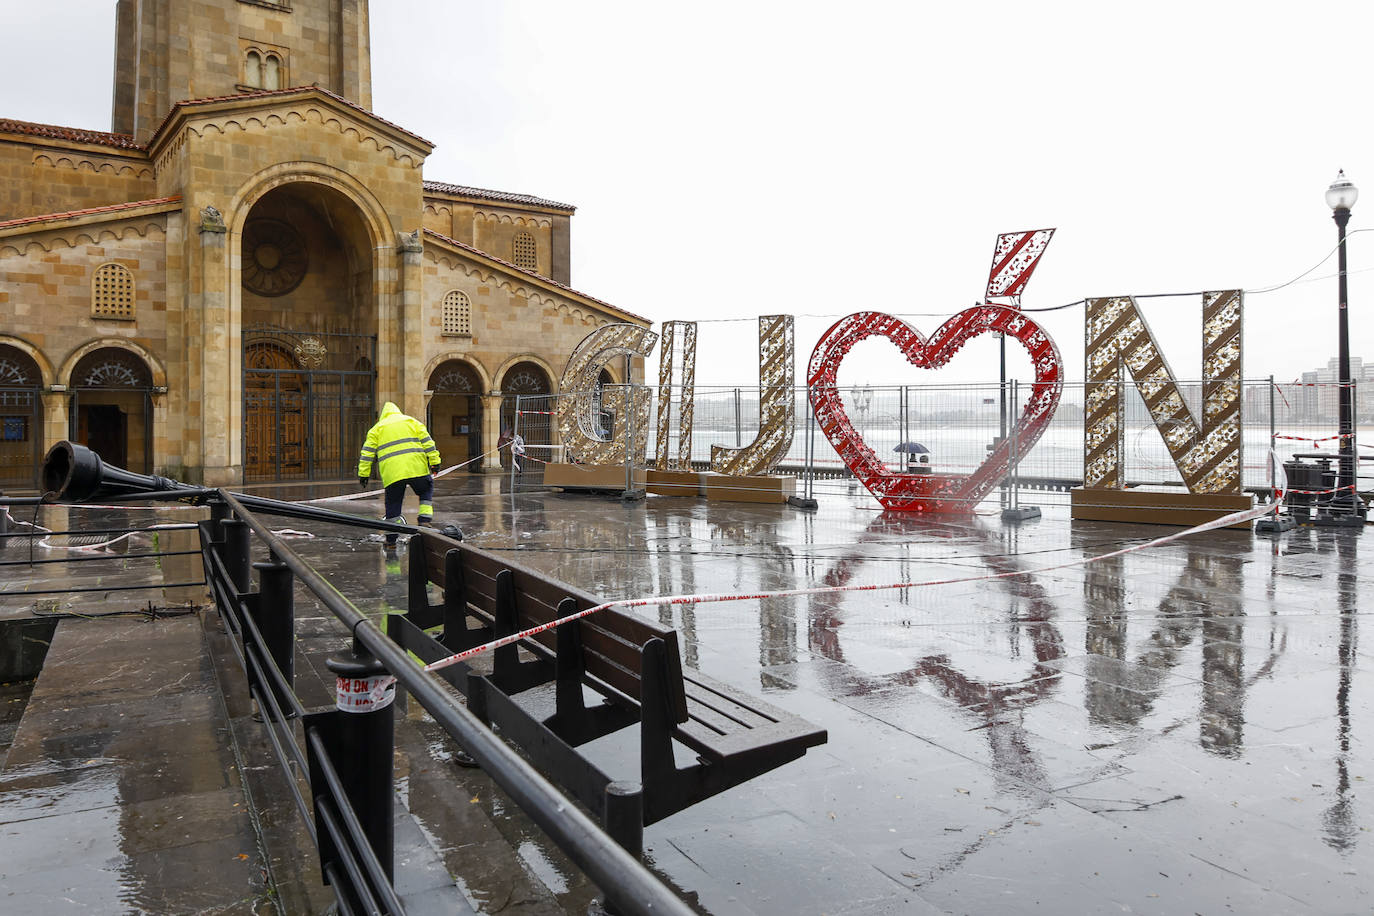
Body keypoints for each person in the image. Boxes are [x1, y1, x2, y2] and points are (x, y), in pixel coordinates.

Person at [358, 401, 441, 544]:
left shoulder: (376, 429)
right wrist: (435, 463)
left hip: (393, 475)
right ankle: (424, 520)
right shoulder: (412, 422)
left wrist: (363, 474)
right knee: (426, 490)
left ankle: (391, 539)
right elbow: (429, 443)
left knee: (393, 504)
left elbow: (367, 453)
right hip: (417, 469)